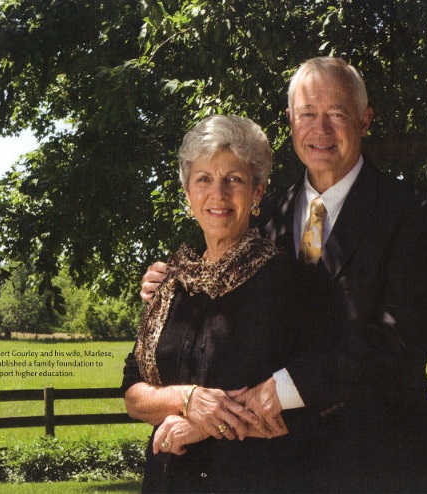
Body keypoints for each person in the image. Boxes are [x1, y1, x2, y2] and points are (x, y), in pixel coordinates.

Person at [140, 57, 427, 493]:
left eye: (336, 114)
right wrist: (167, 284)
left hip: (381, 465)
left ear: (365, 120)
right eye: (307, 114)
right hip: (281, 470)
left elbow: (400, 341)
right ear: (289, 121)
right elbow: (225, 347)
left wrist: (284, 390)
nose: (320, 129)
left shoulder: (412, 212)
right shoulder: (263, 219)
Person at [123, 114, 307, 493]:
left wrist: (199, 427)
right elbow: (133, 395)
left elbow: (312, 404)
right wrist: (185, 399)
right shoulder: (169, 283)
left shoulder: (286, 280)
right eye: (203, 179)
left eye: (233, 180)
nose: (218, 195)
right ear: (188, 193)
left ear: (257, 192)